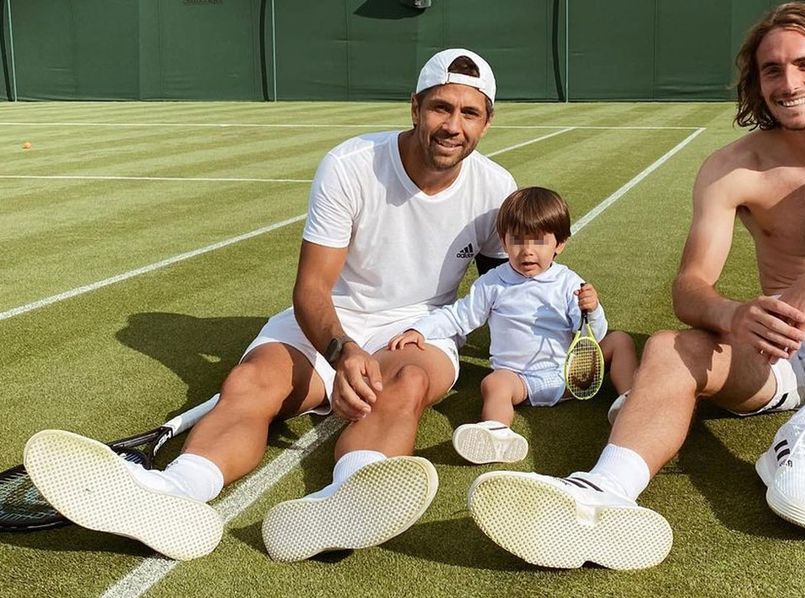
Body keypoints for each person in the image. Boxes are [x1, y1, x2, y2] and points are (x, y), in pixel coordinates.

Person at [466, 1, 805, 570]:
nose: (789, 83)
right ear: (755, 81)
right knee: (668, 346)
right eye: (772, 70)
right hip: (782, 348)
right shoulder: (731, 167)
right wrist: (733, 316)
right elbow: (690, 287)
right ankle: (602, 493)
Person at [23, 48, 518, 562]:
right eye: (441, 108)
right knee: (249, 383)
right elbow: (311, 289)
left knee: (407, 382)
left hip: (415, 331)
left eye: (468, 112)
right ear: (415, 107)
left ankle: (349, 496)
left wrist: (526, 357)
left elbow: (502, 287)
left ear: (487, 122)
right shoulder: (351, 164)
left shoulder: (495, 188)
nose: (452, 125)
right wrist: (342, 351)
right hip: (331, 318)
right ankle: (175, 491)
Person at [388, 187, 638, 465]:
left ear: (560, 244)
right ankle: (497, 432)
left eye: (539, 241)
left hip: (569, 377)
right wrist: (421, 330)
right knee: (494, 384)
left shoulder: (569, 283)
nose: (527, 251)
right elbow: (460, 315)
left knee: (620, 340)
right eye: (517, 241)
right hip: (518, 381)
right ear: (504, 242)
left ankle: (630, 400)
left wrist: (592, 310)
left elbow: (593, 335)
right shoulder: (493, 283)